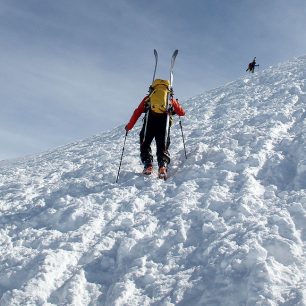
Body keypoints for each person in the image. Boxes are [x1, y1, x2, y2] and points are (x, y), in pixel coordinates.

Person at [125, 79, 185, 176]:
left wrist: (129, 126)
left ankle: (148, 165)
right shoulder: (169, 98)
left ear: (153, 87)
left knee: (145, 143)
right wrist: (175, 104)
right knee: (162, 145)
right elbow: (182, 113)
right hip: (163, 123)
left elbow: (137, 111)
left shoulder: (149, 97)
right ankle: (162, 166)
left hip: (150, 122)